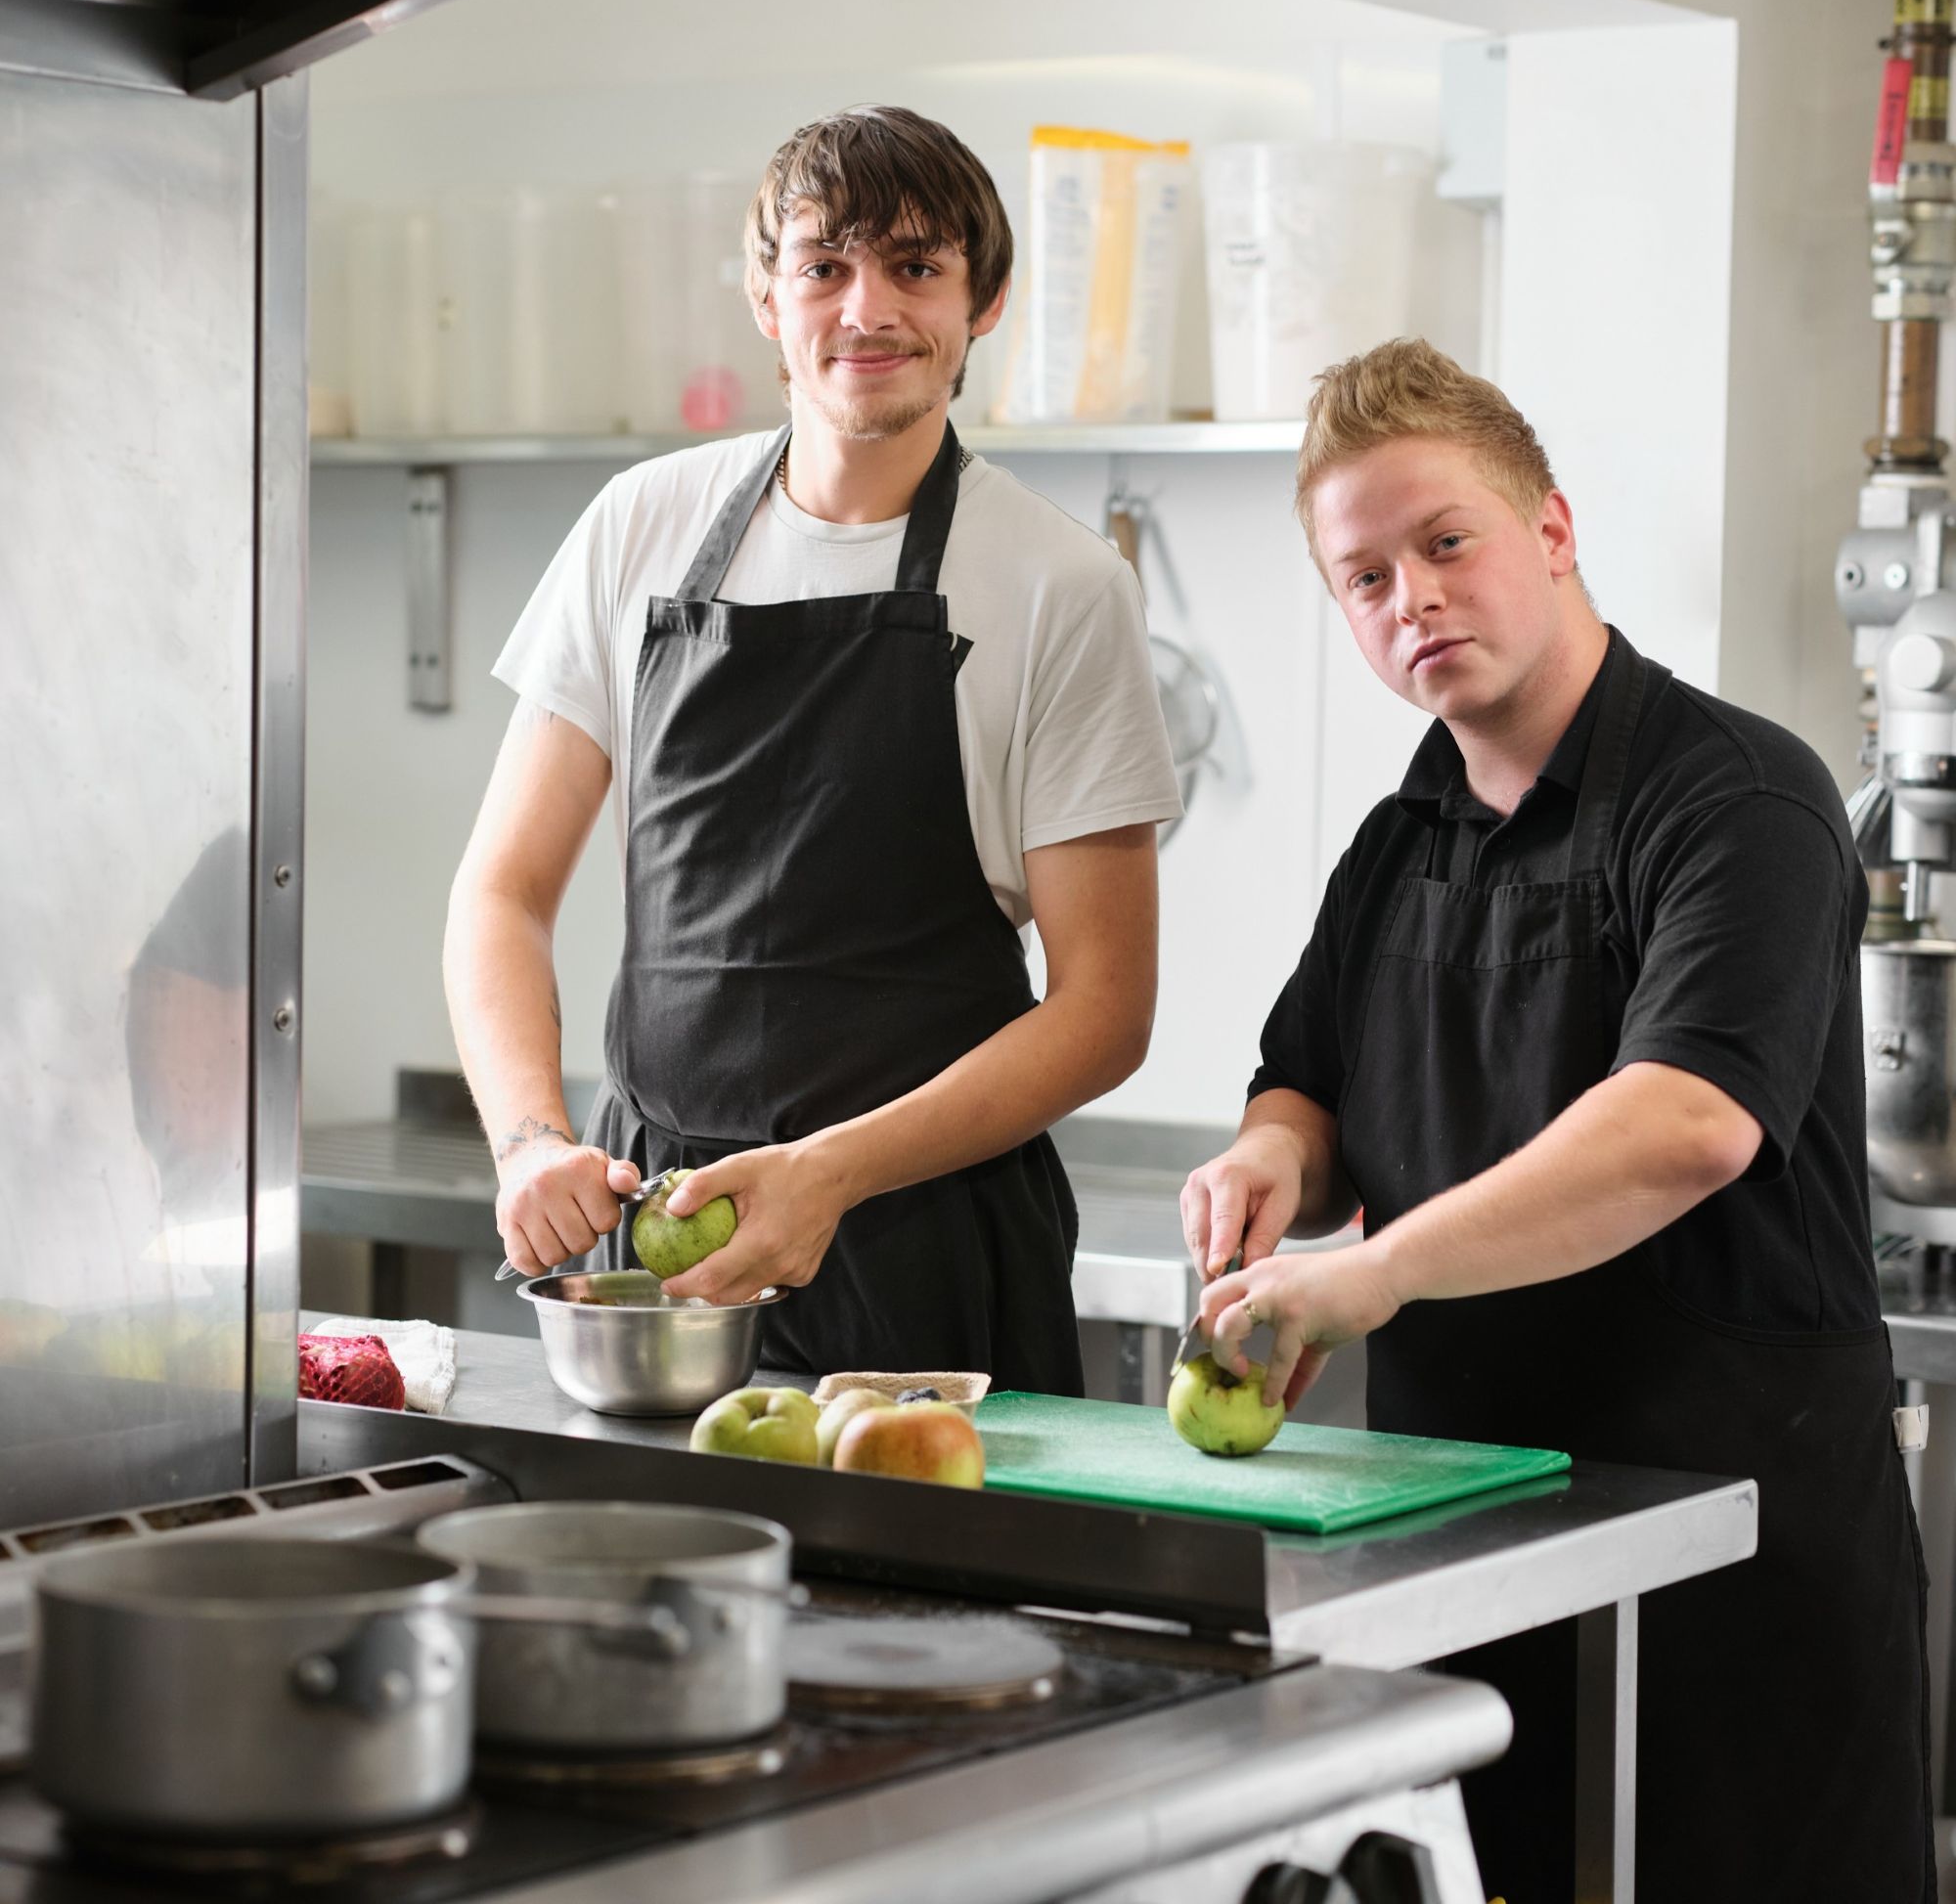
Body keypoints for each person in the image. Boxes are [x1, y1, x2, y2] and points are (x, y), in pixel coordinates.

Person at [1179, 339, 1931, 1902]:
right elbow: (1303, 1079)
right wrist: (1271, 1158)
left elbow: (1686, 1125)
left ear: (1553, 530)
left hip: (1727, 1556)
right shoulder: (1404, 840)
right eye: (1364, 578)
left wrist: (1376, 1273)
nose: (1413, 601)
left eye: (1445, 544)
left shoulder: (1738, 800)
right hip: (1470, 1548)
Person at [445, 106, 1181, 1393]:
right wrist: (526, 1143)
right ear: (765, 295)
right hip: (661, 1247)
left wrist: (828, 1175)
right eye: (823, 265)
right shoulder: (642, 526)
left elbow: (1105, 1010)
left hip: (928, 1255)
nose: (866, 310)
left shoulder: (1061, 583)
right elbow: (500, 892)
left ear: (983, 300)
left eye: (916, 266)